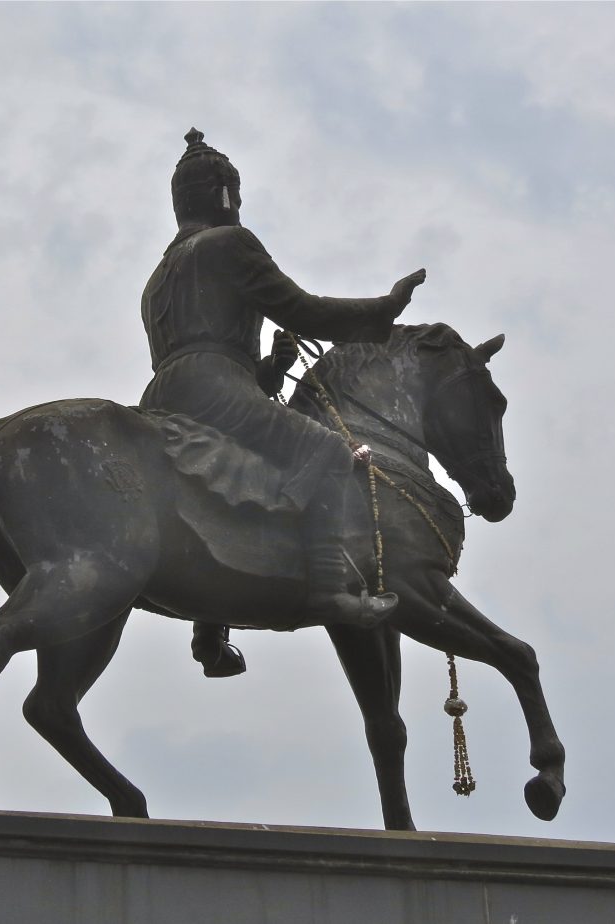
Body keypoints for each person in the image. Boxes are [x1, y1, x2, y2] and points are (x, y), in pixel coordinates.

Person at [139, 128, 426, 677]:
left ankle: (211, 635)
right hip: (213, 386)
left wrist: (270, 368)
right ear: (226, 194)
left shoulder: (158, 276)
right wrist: (383, 310)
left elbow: (206, 349)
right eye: (236, 195)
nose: (238, 205)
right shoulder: (231, 244)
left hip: (166, 392)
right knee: (330, 452)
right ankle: (330, 593)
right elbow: (305, 309)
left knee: (218, 487)